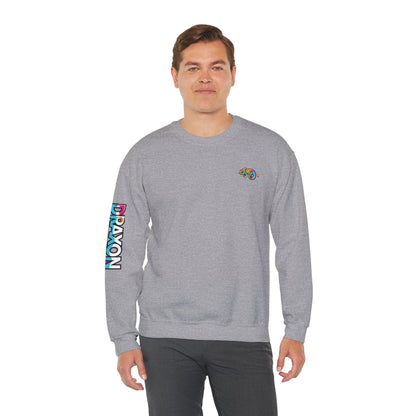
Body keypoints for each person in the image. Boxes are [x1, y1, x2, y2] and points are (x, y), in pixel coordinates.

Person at [105, 24, 313, 415]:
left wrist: (296, 328)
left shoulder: (271, 152)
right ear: (175, 76)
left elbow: (293, 243)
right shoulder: (143, 157)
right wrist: (123, 338)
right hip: (163, 338)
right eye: (192, 67)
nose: (205, 77)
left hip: (244, 334)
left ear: (233, 74)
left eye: (216, 67)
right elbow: (119, 250)